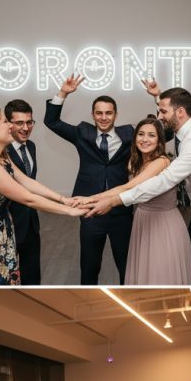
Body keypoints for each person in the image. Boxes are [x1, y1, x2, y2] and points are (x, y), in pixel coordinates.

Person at [84, 85, 191, 285]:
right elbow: (161, 124)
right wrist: (158, 98)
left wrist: (115, 201)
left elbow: (165, 181)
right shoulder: (182, 131)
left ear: (179, 112)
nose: (159, 116)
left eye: (163, 111)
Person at [0, 107, 85, 285]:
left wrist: (63, 199)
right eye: (4, 122)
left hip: (1, 229)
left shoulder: (1, 157)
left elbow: (27, 182)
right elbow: (27, 197)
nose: (10, 126)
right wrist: (69, 211)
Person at [45, 74, 135, 284]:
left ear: (116, 115)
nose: (104, 117)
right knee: (89, 265)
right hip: (89, 210)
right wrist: (63, 93)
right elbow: (51, 121)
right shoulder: (82, 133)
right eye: (99, 113)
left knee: (127, 266)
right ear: (93, 115)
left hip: (120, 211)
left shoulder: (130, 134)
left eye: (108, 113)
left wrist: (158, 97)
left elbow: (161, 133)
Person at [85, 117, 191, 284]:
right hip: (142, 219)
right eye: (141, 134)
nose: (144, 139)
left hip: (163, 223)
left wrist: (90, 199)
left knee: (161, 272)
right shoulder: (135, 161)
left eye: (151, 135)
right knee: (144, 271)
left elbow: (130, 187)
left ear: (159, 140)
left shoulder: (162, 162)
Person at [3, 99, 42, 285]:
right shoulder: (0, 151)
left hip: (31, 223)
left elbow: (29, 182)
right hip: (8, 224)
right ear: (8, 123)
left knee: (33, 275)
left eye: (29, 122)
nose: (26, 128)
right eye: (19, 123)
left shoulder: (32, 146)